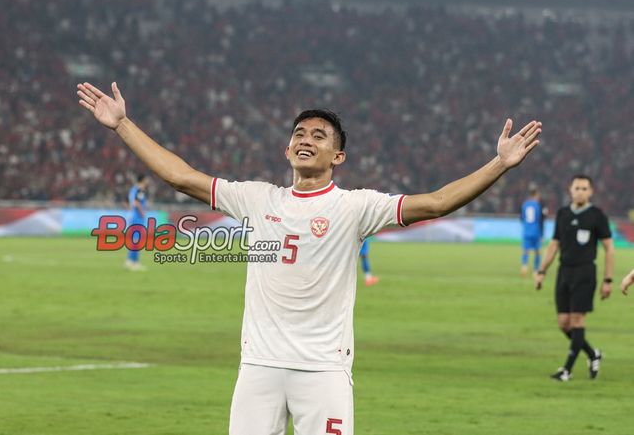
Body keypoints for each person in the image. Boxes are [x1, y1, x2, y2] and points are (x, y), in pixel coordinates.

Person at [78, 81, 541, 435]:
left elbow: (437, 202)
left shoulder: (356, 206)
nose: (307, 139)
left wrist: (499, 164)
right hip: (258, 366)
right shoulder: (256, 198)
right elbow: (181, 176)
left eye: (319, 136)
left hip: (323, 371)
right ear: (287, 149)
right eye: (299, 133)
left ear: (338, 155)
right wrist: (122, 124)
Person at [534, 175, 614, 382]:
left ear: (591, 191)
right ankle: (592, 354)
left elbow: (609, 248)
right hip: (564, 272)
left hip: (585, 273)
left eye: (584, 188)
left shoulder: (597, 215)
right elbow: (553, 245)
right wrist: (542, 271)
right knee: (563, 323)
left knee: (577, 320)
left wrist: (608, 280)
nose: (580, 191)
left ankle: (566, 370)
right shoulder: (563, 213)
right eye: (577, 187)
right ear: (570, 190)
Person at [520, 186, 546, 276]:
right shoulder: (538, 205)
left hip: (526, 230)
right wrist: (542, 234)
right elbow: (541, 220)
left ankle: (524, 266)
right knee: (538, 251)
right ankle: (535, 269)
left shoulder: (524, 204)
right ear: (536, 194)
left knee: (525, 250)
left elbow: (522, 218)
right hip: (536, 231)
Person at [125, 174, 149, 271]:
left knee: (134, 240)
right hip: (137, 217)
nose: (148, 182)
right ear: (143, 180)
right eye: (147, 180)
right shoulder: (140, 190)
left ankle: (131, 261)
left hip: (132, 216)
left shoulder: (133, 189)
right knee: (136, 240)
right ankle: (133, 262)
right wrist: (142, 213)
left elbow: (128, 201)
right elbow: (136, 203)